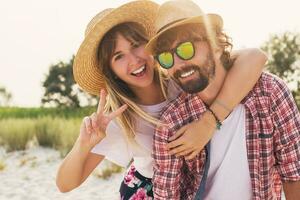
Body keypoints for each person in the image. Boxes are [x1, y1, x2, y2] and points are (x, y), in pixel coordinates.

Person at [55, 1, 267, 199]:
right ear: (111, 70)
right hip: (151, 191)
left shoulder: (180, 75)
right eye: (118, 56)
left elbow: (255, 57)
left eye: (136, 45)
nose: (134, 60)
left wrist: (209, 122)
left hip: (197, 184)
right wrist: (83, 144)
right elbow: (65, 184)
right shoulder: (120, 120)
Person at [146, 0, 300, 199]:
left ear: (215, 44)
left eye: (186, 49)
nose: (178, 64)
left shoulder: (270, 92)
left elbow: (293, 173)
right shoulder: (171, 123)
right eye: (166, 58)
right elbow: (166, 196)